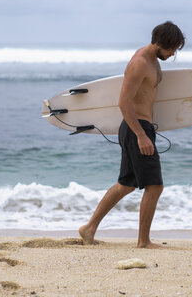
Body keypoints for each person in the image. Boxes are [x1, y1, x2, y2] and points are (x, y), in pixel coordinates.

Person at [79, 21, 185, 248]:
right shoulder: (140, 63)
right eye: (172, 48)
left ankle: (89, 229)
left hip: (140, 128)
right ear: (162, 43)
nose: (173, 53)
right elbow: (123, 102)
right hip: (136, 129)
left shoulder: (153, 60)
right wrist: (141, 135)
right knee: (155, 186)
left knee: (126, 184)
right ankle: (143, 242)